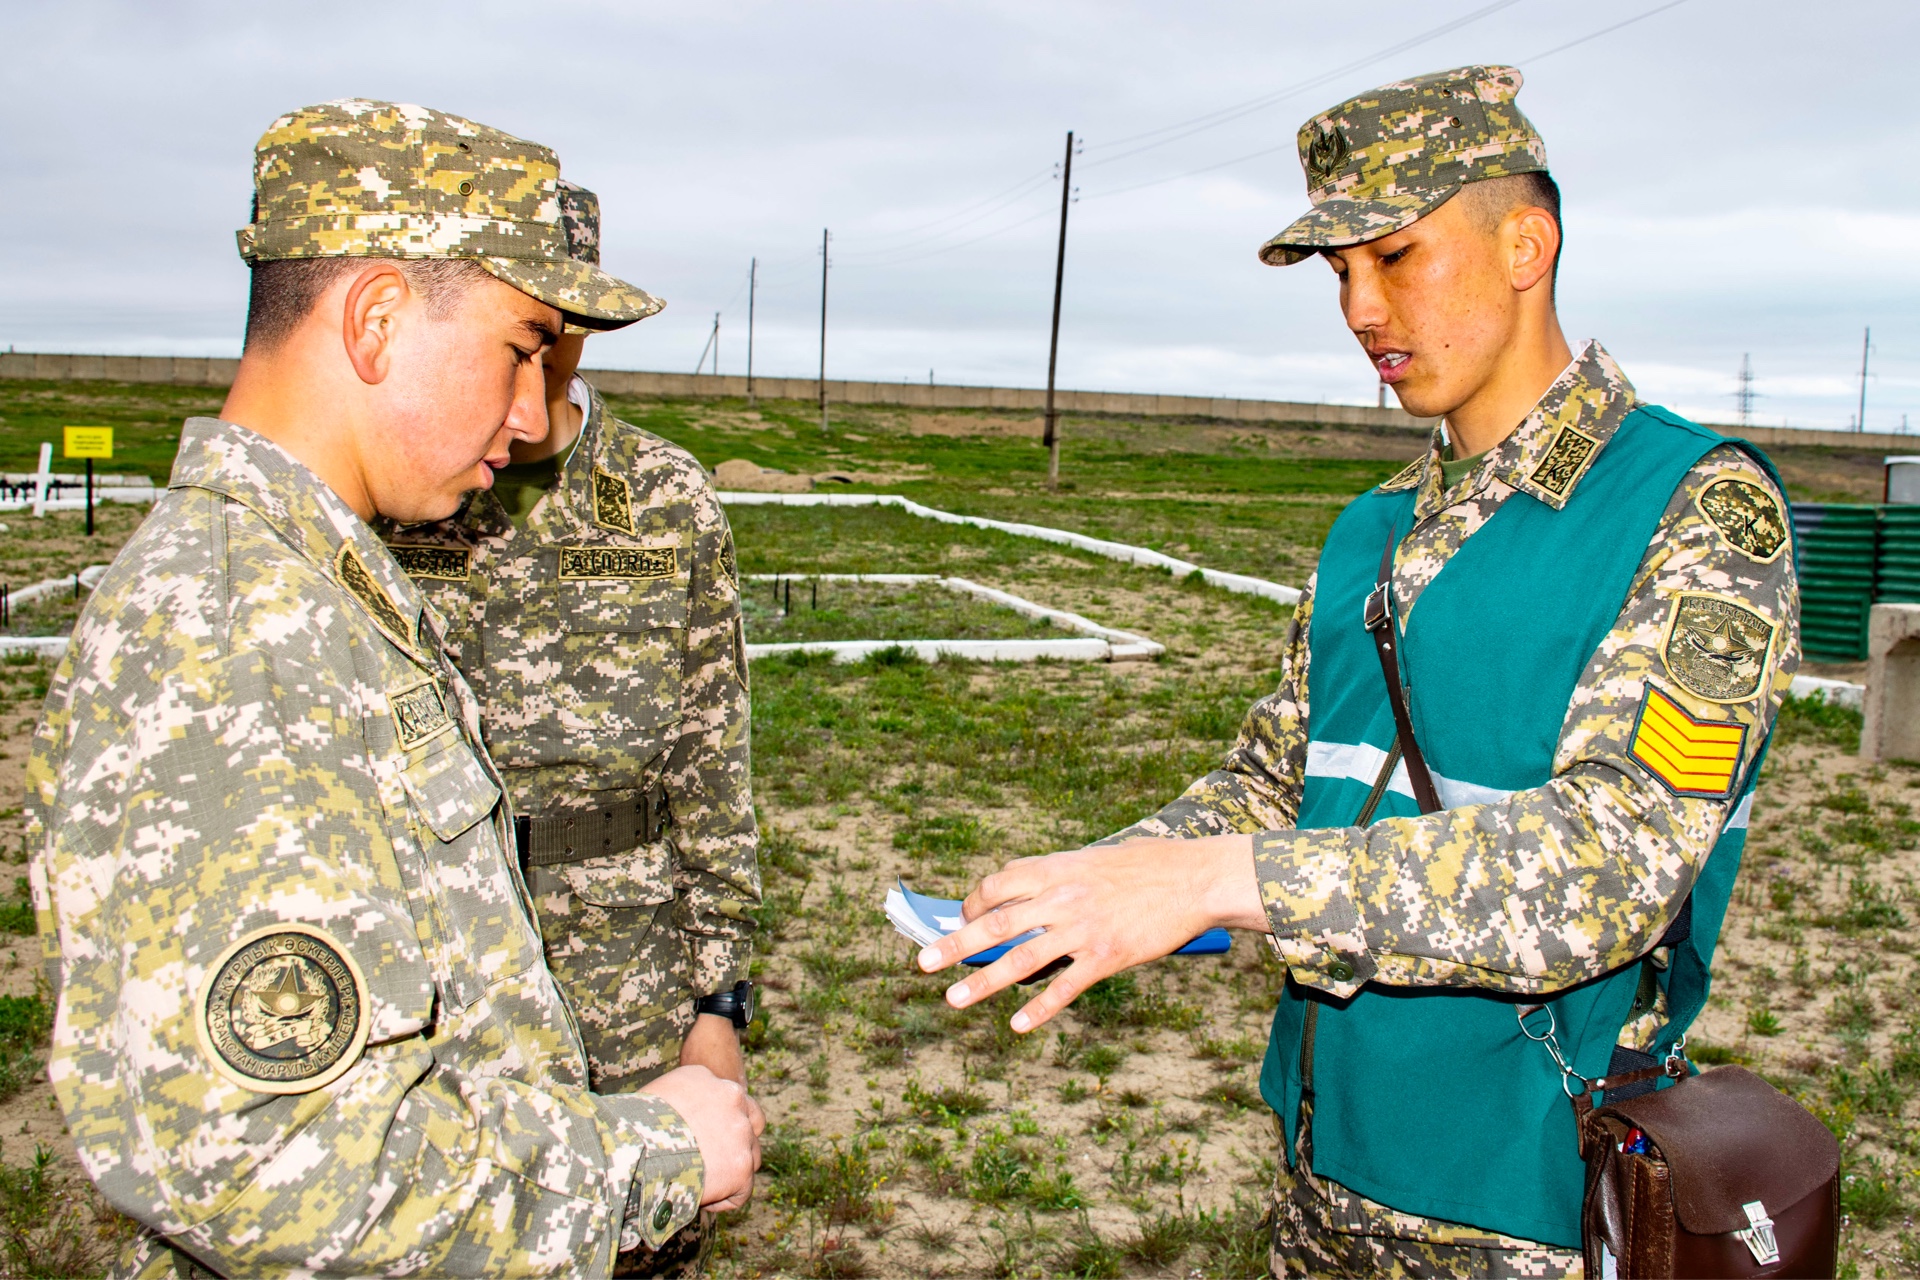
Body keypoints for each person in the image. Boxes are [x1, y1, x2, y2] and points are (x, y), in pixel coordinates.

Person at [918, 65, 1798, 1277]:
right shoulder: (1368, 530)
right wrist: (1108, 877)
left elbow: (1614, 864)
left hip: (1529, 1204)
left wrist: (1225, 880)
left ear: (1527, 243)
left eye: (1396, 255)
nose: (1361, 310)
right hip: (1326, 1184)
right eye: (1341, 275)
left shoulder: (1689, 507)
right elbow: (1279, 780)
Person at [26, 99, 763, 1278]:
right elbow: (287, 1167)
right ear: (374, 319)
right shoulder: (240, 640)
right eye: (520, 346)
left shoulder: (306, 586)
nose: (532, 413)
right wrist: (651, 1153)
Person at [380, 178, 759, 1273]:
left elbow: (712, 758)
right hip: (435, 982)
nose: (533, 389)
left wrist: (719, 998)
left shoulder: (663, 496)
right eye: (513, 338)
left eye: (558, 339)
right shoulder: (397, 489)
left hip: (628, 981)